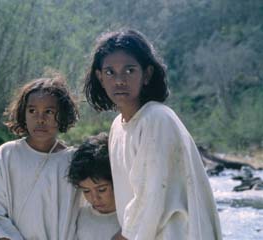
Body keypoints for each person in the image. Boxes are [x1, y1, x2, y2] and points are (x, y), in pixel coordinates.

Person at [84, 29, 222, 240]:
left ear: (146, 74)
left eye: (129, 71)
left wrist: (125, 235)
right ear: (100, 78)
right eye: (110, 72)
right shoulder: (117, 127)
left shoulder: (157, 118)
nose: (119, 80)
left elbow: (153, 195)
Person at [0, 75, 80, 240]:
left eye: (49, 112)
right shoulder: (5, 156)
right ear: (23, 113)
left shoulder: (73, 161)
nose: (40, 119)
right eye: (32, 111)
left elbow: (83, 217)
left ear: (62, 115)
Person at [67, 132, 120, 240]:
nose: (95, 198)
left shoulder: (129, 219)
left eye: (101, 190)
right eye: (86, 191)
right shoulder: (79, 217)